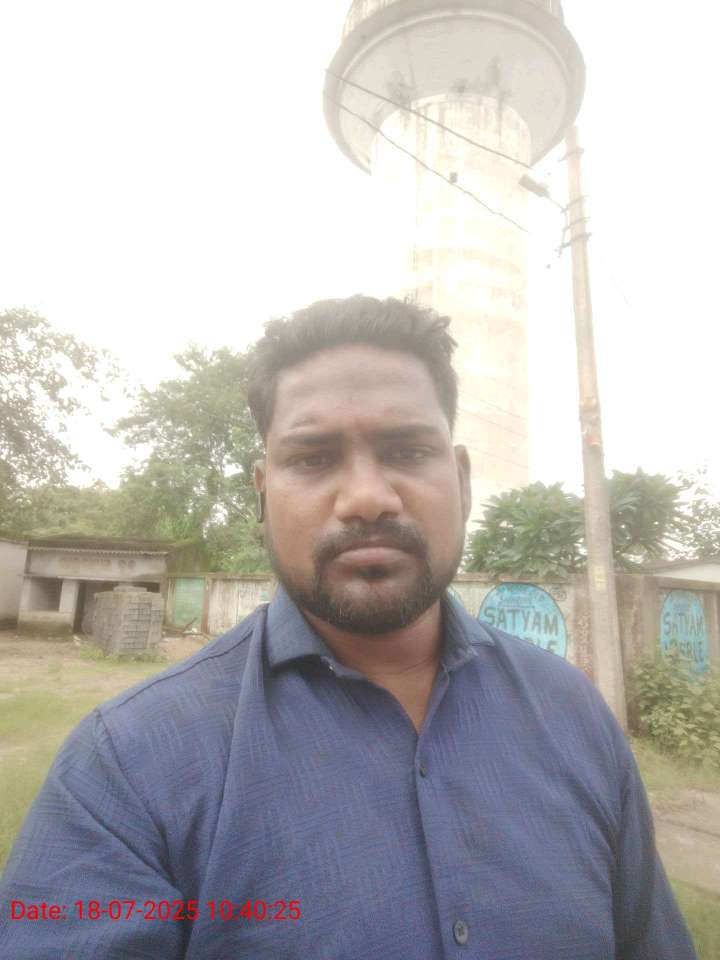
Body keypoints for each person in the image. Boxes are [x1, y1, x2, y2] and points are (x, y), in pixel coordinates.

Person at [0, 295, 697, 959]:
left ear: (461, 480)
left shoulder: (572, 714)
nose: (367, 497)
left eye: (407, 450)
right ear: (263, 492)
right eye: (313, 457)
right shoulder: (129, 764)